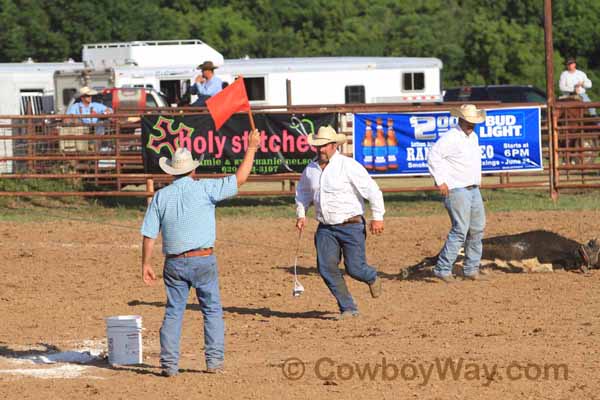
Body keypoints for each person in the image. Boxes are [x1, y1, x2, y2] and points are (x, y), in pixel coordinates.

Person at [140, 129, 261, 377]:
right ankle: (214, 362)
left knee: (174, 311)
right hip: (204, 259)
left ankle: (169, 364)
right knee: (212, 309)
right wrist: (251, 149)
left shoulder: (161, 196)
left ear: (171, 171)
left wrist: (146, 264)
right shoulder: (205, 188)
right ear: (193, 170)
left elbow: (149, 234)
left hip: (174, 263)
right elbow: (240, 178)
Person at [295, 125, 385, 319]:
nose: (321, 149)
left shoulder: (348, 165)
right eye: (318, 145)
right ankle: (348, 307)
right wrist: (301, 213)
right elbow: (302, 192)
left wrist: (377, 217)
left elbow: (372, 190)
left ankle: (371, 276)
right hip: (326, 227)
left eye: (325, 145)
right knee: (326, 267)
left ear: (334, 145)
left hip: (351, 225)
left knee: (355, 268)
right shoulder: (310, 169)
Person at [427, 104, 488, 283]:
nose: (472, 125)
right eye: (469, 121)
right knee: (461, 229)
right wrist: (440, 181)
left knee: (477, 228)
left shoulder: (472, 137)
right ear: (461, 119)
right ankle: (443, 268)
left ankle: (471, 268)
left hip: (472, 188)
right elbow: (433, 156)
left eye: (473, 122)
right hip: (457, 188)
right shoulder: (450, 137)